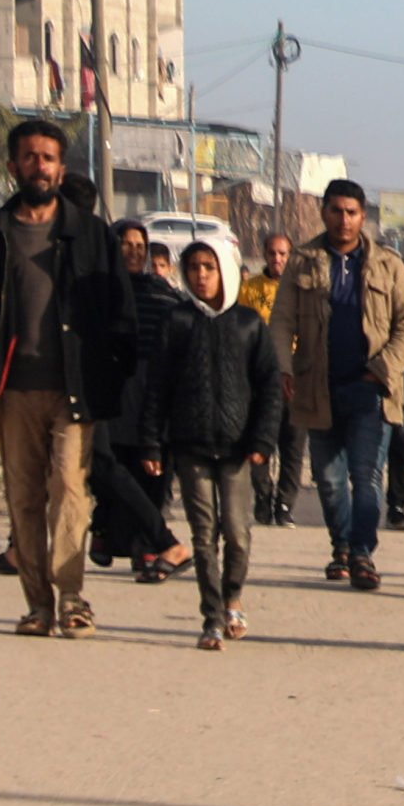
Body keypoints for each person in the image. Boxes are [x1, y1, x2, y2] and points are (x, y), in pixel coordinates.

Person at [0, 119, 138, 636]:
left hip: (74, 388)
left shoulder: (91, 235)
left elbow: (122, 313)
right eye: (30, 157)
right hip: (13, 391)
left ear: (61, 167)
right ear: (14, 166)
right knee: (24, 498)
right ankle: (38, 605)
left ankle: (73, 598)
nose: (39, 166)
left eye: (48, 158)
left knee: (70, 491)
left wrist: (113, 371)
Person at [133, 239, 283, 647]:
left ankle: (233, 596)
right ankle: (212, 619)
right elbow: (158, 387)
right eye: (194, 267)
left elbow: (269, 387)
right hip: (191, 446)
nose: (201, 275)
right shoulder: (176, 321)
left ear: (226, 272)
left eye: (209, 267)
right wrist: (151, 443)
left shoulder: (249, 324)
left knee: (236, 533)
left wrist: (263, 440)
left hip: (237, 450)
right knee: (203, 536)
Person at [276, 179, 404, 592]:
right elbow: (282, 321)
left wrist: (384, 368)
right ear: (324, 212)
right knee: (330, 479)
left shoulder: (388, 265)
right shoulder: (302, 262)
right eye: (336, 210)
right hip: (317, 388)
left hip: (371, 391)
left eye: (351, 212)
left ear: (363, 217)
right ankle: (341, 545)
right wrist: (284, 368)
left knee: (367, 477)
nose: (344, 219)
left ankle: (361, 553)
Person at [92, 219, 192, 583]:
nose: (133, 251)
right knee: (113, 468)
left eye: (139, 245)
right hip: (112, 392)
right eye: (125, 243)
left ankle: (147, 545)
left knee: (152, 472)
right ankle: (111, 531)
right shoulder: (99, 292)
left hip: (154, 392)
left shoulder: (163, 293)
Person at [242, 232, 302, 526]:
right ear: (264, 255)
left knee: (292, 446)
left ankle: (285, 504)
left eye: (283, 254)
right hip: (260, 377)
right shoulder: (250, 289)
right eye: (272, 253)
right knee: (259, 442)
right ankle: (263, 497)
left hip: (295, 377)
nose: (277, 259)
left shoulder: (301, 289)